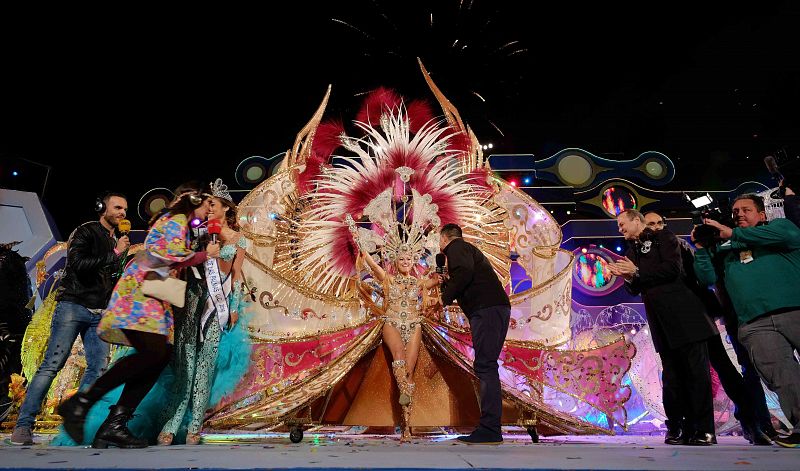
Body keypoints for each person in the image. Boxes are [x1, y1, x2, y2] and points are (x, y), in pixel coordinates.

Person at [57, 187, 219, 449]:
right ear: (193, 202)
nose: (209, 210)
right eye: (206, 204)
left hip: (154, 293)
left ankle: (113, 425)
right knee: (153, 352)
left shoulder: (177, 222)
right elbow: (165, 254)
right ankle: (82, 403)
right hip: (141, 294)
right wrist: (203, 255)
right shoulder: (176, 220)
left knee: (160, 354)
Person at [9, 193, 129, 446]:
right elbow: (77, 264)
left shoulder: (114, 239)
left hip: (99, 311)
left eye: (125, 209)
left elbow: (111, 275)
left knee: (97, 369)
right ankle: (23, 426)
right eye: (117, 207)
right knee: (52, 364)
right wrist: (115, 253)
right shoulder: (86, 231)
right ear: (101, 208)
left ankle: (74, 427)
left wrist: (119, 256)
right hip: (73, 306)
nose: (122, 212)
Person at [643, 211, 772, 445]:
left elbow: (701, 279)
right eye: (651, 224)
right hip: (677, 323)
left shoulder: (678, 245)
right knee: (684, 376)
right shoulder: (646, 252)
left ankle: (753, 424)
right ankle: (690, 427)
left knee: (724, 369)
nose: (657, 227)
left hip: (697, 317)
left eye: (660, 223)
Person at [693, 194, 800, 448]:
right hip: (755, 323)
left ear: (762, 215)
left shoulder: (779, 228)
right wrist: (702, 249)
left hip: (794, 311)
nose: (739, 213)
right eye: (735, 210)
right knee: (781, 377)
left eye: (746, 209)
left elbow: (792, 236)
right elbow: (706, 277)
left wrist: (731, 235)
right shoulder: (725, 247)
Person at [610, 209, 718, 446]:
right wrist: (628, 278)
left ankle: (704, 429)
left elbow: (672, 270)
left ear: (636, 220)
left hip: (686, 318)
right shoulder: (632, 251)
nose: (620, 229)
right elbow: (635, 288)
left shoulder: (666, 238)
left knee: (696, 375)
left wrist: (636, 272)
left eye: (622, 224)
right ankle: (677, 428)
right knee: (671, 378)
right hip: (660, 321)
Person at [157, 179, 249, 445]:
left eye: (213, 205)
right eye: (206, 204)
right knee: (184, 362)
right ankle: (171, 424)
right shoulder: (197, 232)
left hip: (216, 307)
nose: (208, 209)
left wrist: (233, 307)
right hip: (192, 300)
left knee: (205, 365)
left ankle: (195, 427)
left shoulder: (238, 239)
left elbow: (237, 275)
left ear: (226, 210)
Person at [436, 223, 511, 445]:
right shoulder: (465, 252)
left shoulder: (456, 247)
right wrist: (447, 285)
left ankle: (490, 429)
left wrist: (444, 297)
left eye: (440, 241)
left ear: (444, 239)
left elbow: (466, 273)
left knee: (485, 365)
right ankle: (490, 427)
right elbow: (465, 276)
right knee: (486, 365)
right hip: (493, 309)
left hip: (486, 310)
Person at [357, 242, 439, 443]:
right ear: (396, 261)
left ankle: (406, 425)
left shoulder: (419, 283)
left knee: (409, 374)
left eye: (408, 259)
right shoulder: (388, 279)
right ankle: (403, 414)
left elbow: (438, 280)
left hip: (414, 324)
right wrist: (359, 245)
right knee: (399, 359)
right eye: (401, 259)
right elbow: (373, 265)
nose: (404, 262)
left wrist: (446, 266)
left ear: (412, 262)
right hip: (392, 322)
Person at [0, 241, 33, 422]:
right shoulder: (10, 260)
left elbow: (13, 296)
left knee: (12, 371)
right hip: (14, 324)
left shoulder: (9, 260)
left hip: (11, 325)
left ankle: (11, 409)